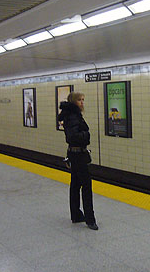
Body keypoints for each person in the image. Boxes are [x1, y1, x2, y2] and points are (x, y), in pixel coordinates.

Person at [58, 92, 98, 230]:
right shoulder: (73, 116)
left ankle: (76, 214)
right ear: (74, 102)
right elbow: (73, 136)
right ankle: (90, 219)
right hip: (79, 155)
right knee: (86, 186)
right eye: (80, 100)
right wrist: (86, 135)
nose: (82, 103)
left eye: (83, 100)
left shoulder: (69, 115)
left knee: (75, 185)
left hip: (73, 153)